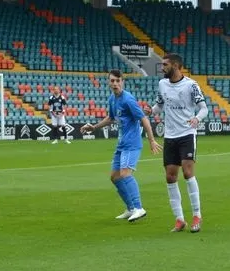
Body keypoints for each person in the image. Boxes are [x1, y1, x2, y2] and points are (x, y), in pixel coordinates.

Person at [81, 69, 161, 222]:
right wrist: (94, 127)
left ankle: (139, 208)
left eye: (118, 81)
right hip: (121, 143)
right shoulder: (112, 99)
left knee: (125, 174)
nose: (115, 83)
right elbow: (111, 118)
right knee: (114, 177)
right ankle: (131, 208)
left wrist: (151, 140)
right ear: (109, 82)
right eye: (112, 81)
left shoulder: (128, 99)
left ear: (122, 81)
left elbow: (143, 119)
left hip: (132, 144)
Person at [146, 53, 209, 233]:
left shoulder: (191, 85)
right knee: (170, 176)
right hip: (170, 135)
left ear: (175, 65)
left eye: (165, 64)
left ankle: (197, 214)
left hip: (187, 134)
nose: (162, 67)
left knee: (188, 172)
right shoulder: (162, 84)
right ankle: (179, 219)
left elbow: (204, 108)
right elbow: (160, 106)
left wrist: (196, 119)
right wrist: (151, 110)